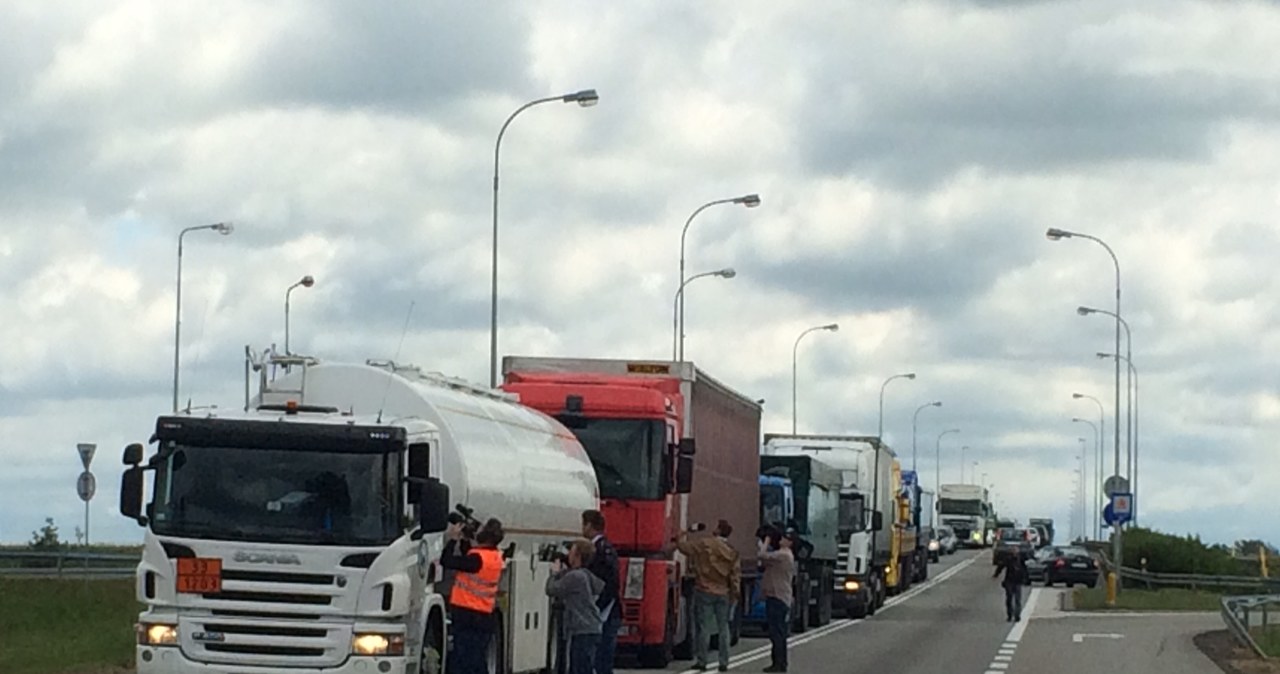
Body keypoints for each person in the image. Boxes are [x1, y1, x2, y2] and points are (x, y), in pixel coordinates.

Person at [441, 517, 506, 674]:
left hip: (468, 615)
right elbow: (469, 557)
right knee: (475, 660)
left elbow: (447, 560)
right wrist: (464, 540)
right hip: (483, 616)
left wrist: (452, 539)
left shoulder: (477, 560)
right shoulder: (494, 557)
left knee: (464, 661)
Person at [676, 519, 741, 672]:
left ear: (718, 530)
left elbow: (684, 548)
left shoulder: (705, 544)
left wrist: (682, 535)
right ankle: (724, 662)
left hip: (704, 589)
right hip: (723, 592)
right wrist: (734, 594)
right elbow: (735, 575)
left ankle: (702, 661)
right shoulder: (731, 551)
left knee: (703, 627)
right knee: (723, 627)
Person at [546, 538, 605, 674]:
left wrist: (554, 573)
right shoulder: (586, 575)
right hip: (592, 628)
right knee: (584, 667)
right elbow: (600, 587)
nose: (568, 555)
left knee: (579, 668)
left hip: (582, 630)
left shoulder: (576, 577)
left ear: (578, 556)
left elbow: (551, 589)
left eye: (571, 552)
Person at [582, 510, 620, 674]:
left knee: (602, 656)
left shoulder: (602, 550)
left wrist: (597, 605)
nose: (582, 528)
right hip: (604, 610)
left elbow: (610, 583)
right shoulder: (599, 548)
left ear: (590, 525)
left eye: (583, 524)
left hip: (606, 611)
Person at [758, 527, 796, 673]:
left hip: (778, 597)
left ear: (790, 542)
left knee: (777, 633)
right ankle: (779, 663)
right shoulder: (782, 555)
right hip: (777, 596)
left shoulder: (784, 555)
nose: (782, 539)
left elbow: (762, 556)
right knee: (777, 632)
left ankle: (779, 664)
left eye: (786, 538)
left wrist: (766, 540)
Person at [992, 548, 1028, 622]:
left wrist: (1025, 579)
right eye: (1013, 551)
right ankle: (1010, 614)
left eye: (1016, 551)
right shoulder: (1008, 559)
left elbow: (1025, 569)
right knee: (1009, 598)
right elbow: (1001, 566)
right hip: (1009, 581)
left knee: (1017, 599)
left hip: (1018, 581)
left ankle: (1017, 615)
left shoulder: (1021, 560)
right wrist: (996, 574)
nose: (1015, 553)